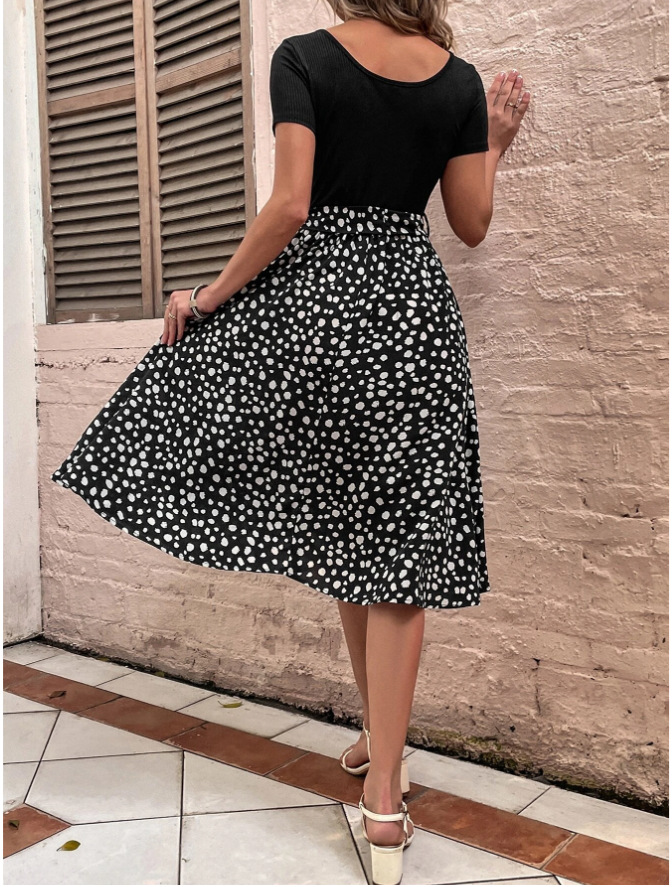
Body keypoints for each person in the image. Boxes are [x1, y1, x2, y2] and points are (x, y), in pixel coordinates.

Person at [51, 2, 529, 883]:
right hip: (414, 326)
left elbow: (290, 207)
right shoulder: (460, 82)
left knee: (350, 535)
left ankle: (382, 773)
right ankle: (384, 779)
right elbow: (469, 224)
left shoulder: (305, 57)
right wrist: (491, 144)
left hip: (321, 322)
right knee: (394, 550)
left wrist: (208, 297)